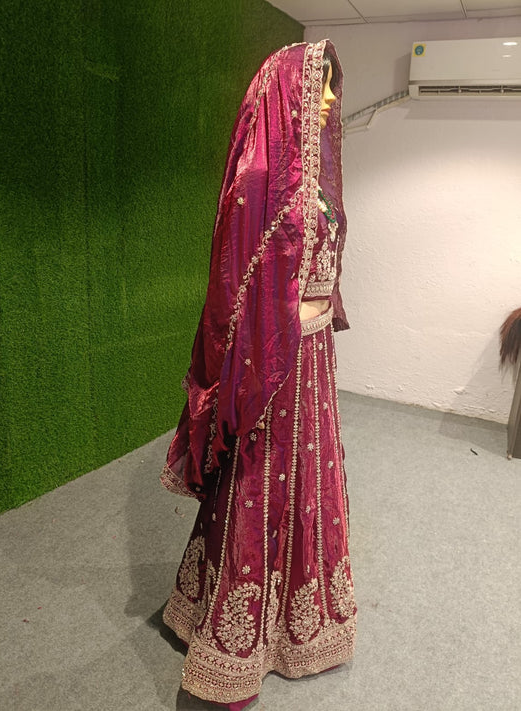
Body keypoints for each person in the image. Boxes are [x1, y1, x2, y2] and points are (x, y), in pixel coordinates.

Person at [160, 39, 356, 709]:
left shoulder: (317, 184)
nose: (327, 98)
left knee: (310, 483)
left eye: (330, 86)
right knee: (257, 488)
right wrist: (264, 347)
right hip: (274, 362)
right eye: (318, 83)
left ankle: (301, 622)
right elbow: (234, 286)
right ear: (286, 91)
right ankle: (235, 642)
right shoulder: (259, 180)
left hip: (314, 361)